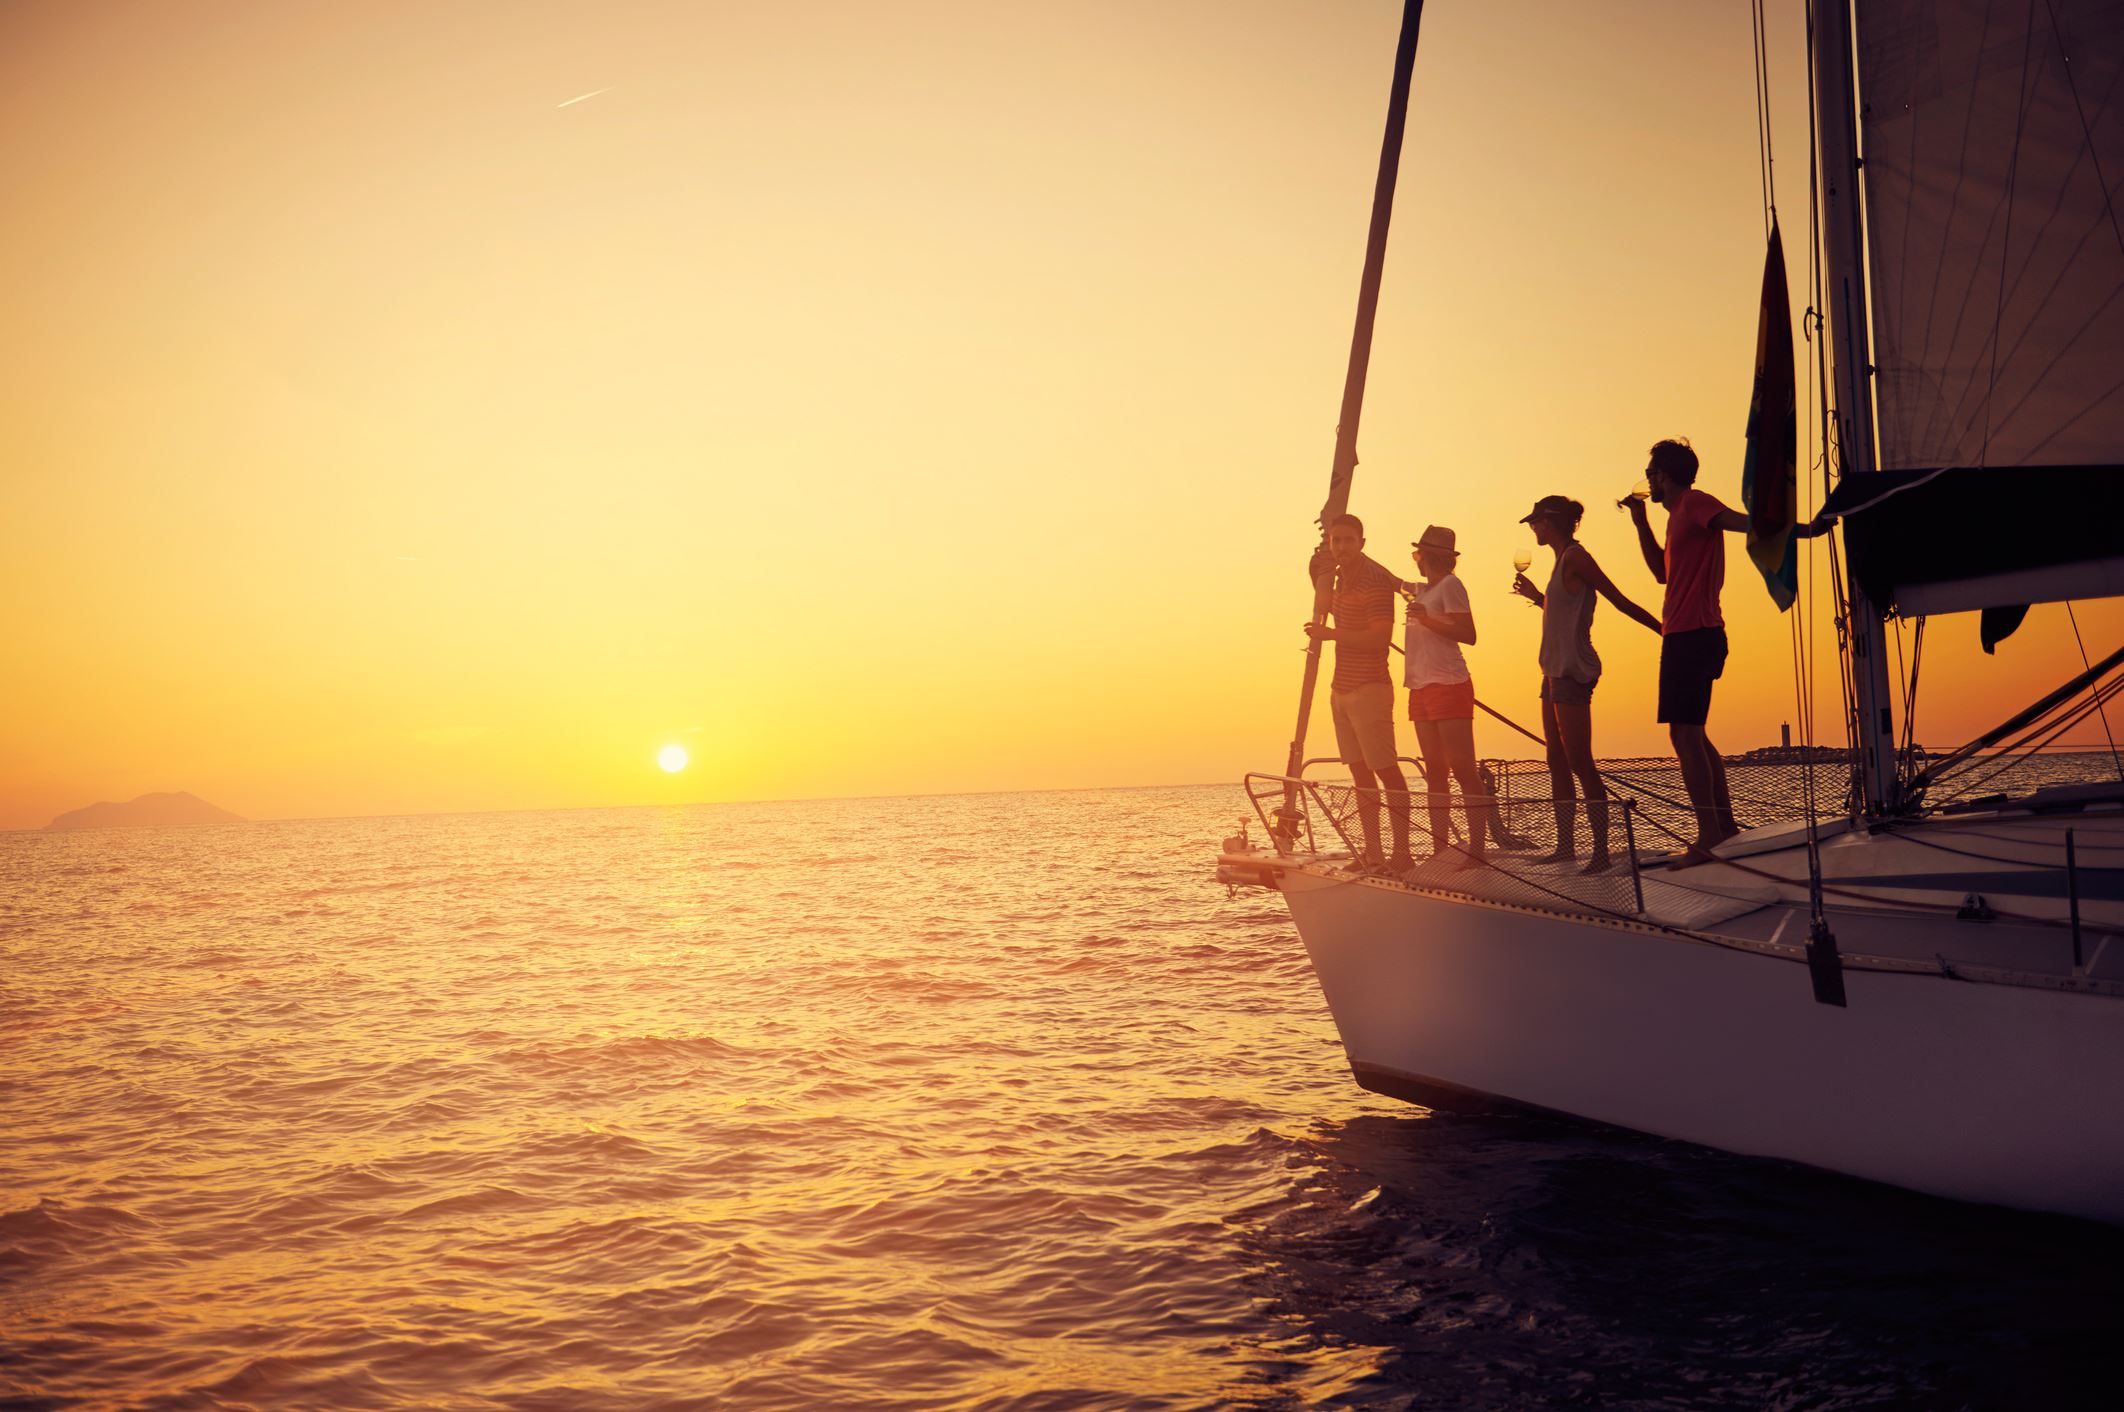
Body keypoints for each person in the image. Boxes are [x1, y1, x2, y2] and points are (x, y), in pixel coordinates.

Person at [1622, 438, 1829, 861]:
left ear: (1664, 474)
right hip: (1688, 634)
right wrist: (1640, 523)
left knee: (1684, 736)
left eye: (1650, 474)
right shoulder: (1675, 516)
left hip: (1693, 634)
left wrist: (1803, 530)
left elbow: (1743, 524)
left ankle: (1709, 834)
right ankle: (1724, 824)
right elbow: (1662, 574)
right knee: (1695, 734)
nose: (1648, 482)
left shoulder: (1695, 502)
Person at [1512, 495, 1662, 874]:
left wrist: (1663, 629)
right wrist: (1537, 598)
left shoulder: (1577, 557)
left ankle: (1600, 854)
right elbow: (1564, 610)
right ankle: (1565, 848)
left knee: (1580, 762)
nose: (1533, 528)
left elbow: (1618, 600)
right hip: (1551, 670)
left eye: (1536, 522)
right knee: (1555, 759)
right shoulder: (1559, 562)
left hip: (1573, 670)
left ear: (1550, 522)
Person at [1306, 513, 1412, 873]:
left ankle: (1402, 854)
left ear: (1362, 543)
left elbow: (1380, 638)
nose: (1341, 547)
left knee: (1387, 771)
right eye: (1336, 541)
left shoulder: (1375, 581)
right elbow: (1323, 606)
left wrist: (1332, 636)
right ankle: (1373, 854)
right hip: (1340, 688)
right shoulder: (1338, 577)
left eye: (1348, 540)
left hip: (1370, 687)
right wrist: (1315, 570)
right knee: (1360, 773)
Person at [1402, 525, 1486, 867]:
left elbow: (1469, 634)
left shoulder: (1451, 586)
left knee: (1463, 768)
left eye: (1418, 555)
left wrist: (1429, 620)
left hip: (1448, 684)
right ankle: (1440, 848)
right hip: (1420, 687)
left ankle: (1478, 850)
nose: (1415, 560)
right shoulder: (1425, 590)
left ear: (1430, 557)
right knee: (1434, 771)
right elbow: (1394, 582)